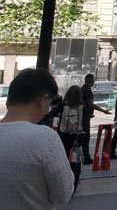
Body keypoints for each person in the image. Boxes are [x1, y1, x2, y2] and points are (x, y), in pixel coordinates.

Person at [0, 68, 75, 209]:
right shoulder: (45, 138)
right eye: (49, 104)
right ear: (43, 100)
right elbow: (62, 195)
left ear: (9, 100)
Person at [81, 73, 111, 165]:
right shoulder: (87, 90)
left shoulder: (83, 89)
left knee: (84, 136)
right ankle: (86, 157)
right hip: (85, 116)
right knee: (86, 137)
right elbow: (90, 104)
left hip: (84, 115)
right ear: (91, 81)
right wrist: (103, 111)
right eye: (93, 80)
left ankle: (85, 156)